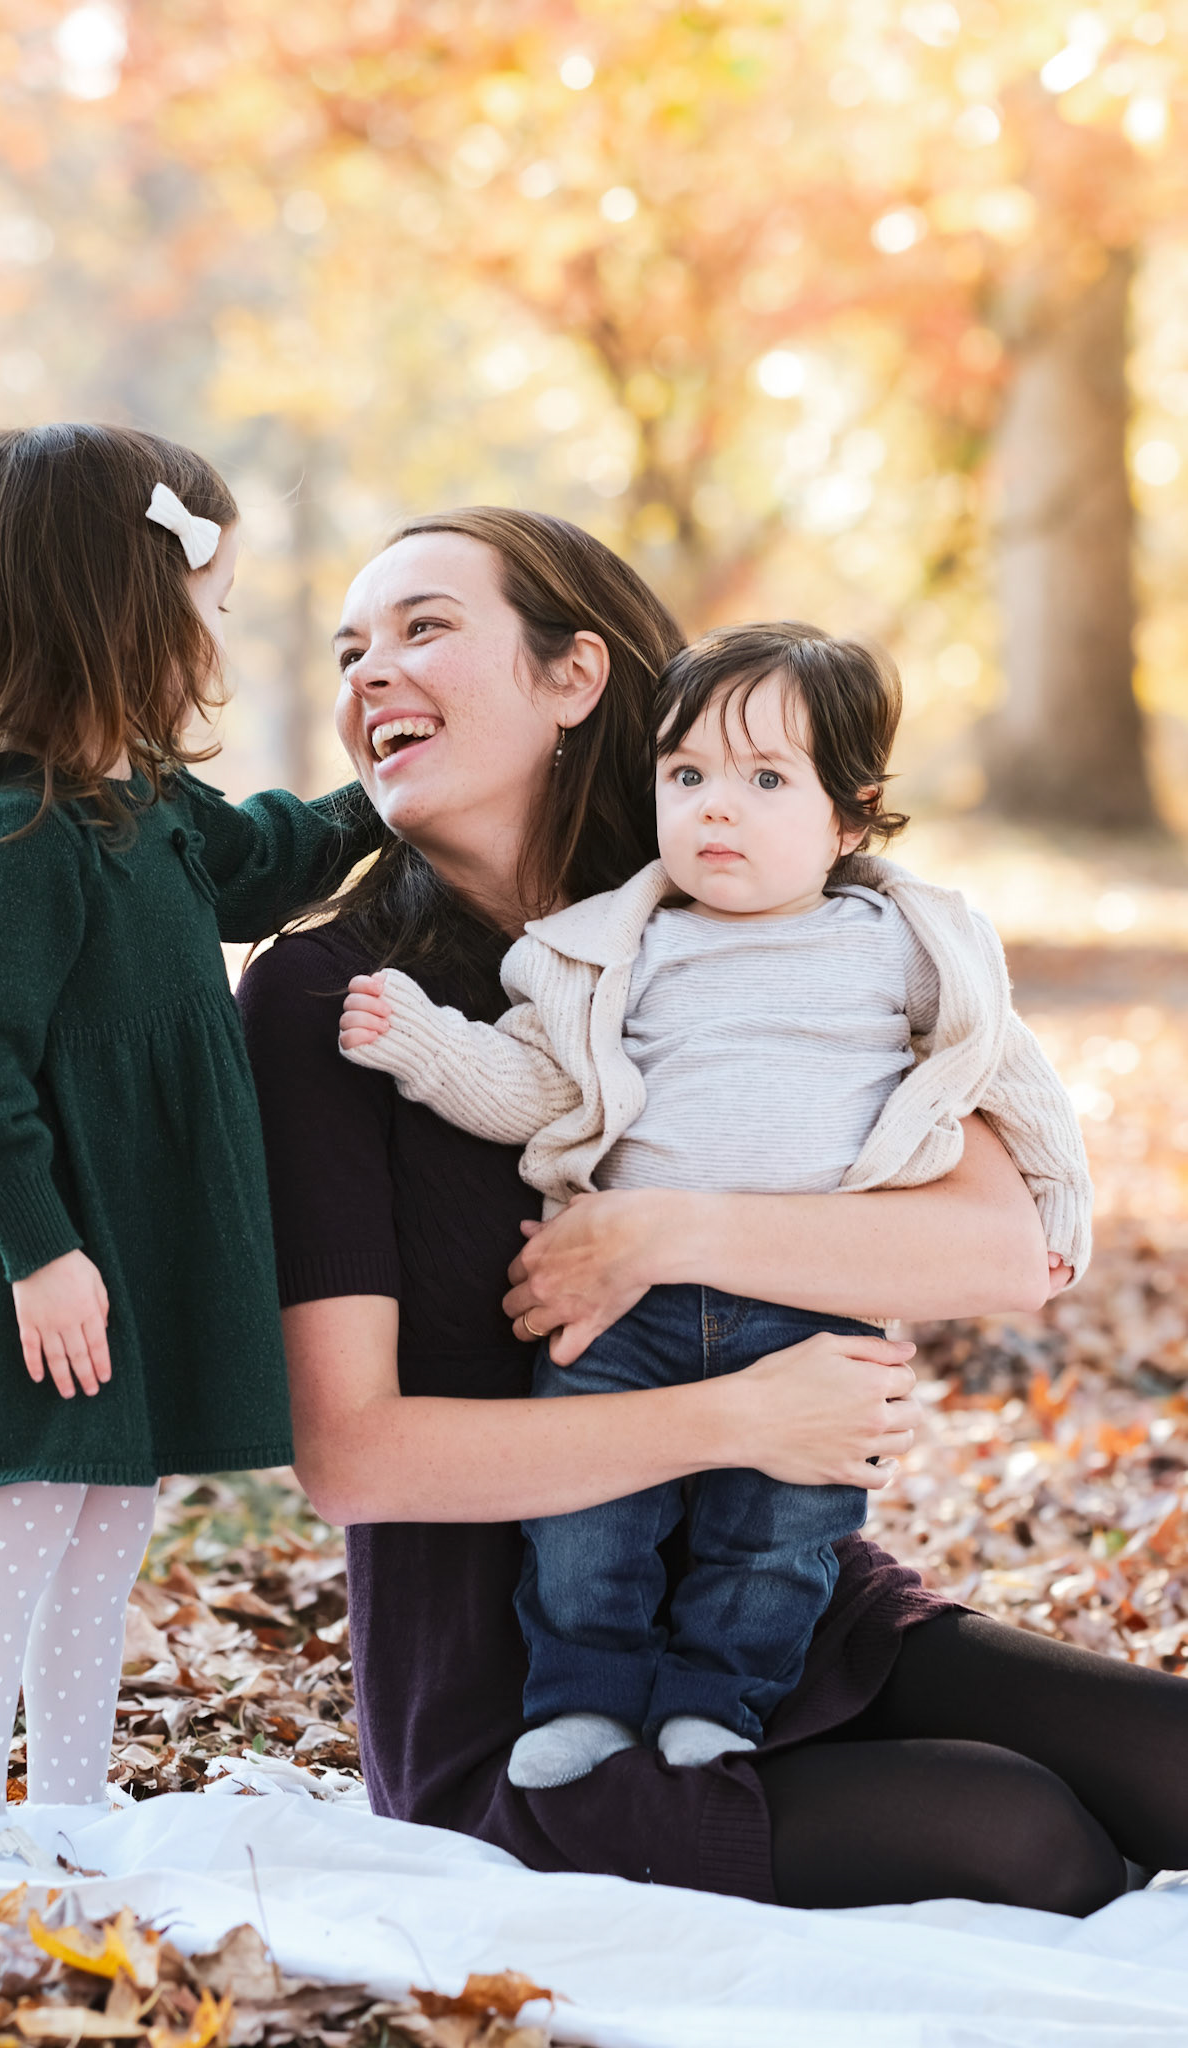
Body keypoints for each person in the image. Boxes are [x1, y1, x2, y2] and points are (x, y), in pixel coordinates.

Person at [239, 506, 1188, 1915]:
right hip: (525, 1685)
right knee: (1025, 1835)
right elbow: (354, 1460)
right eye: (350, 649)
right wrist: (738, 1414)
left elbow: (1005, 1243)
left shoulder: (752, 901)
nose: (371, 671)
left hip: (782, 1597)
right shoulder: (332, 999)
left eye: (423, 627)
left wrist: (664, 1232)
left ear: (576, 675)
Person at [336, 621, 1092, 1791]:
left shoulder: (900, 946)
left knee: (779, 1535)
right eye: (686, 775)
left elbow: (1004, 1069)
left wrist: (1060, 1202)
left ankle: (717, 1699)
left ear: (850, 816)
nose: (716, 807)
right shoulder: (621, 951)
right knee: (586, 1529)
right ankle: (584, 1695)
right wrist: (429, 1048)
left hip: (808, 1307)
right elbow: (539, 1084)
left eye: (766, 779)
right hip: (626, 1307)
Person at [0, 423, 377, 1852]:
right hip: (56, 1268)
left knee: (110, 1535)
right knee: (22, 1536)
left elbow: (267, 862)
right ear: (124, 609)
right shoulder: (30, 835)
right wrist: (42, 1252)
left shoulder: (151, 805)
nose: (221, 634)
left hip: (137, 1248)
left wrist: (390, 798)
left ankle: (71, 1806)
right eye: (211, 602)